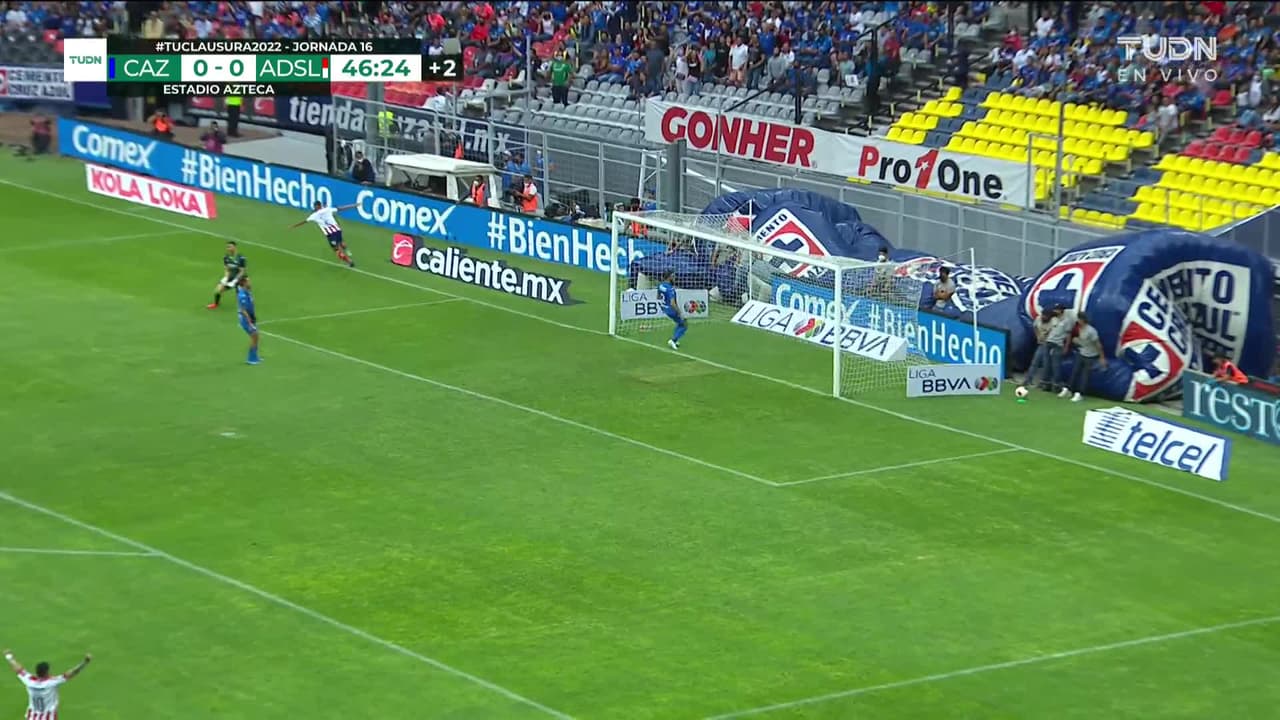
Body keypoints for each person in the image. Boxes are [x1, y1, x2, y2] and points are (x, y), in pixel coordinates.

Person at [4, 647, 91, 720]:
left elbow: (18, 669)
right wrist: (85, 662)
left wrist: (9, 656)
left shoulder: (29, 680)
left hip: (32, 717)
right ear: (46, 672)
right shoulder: (52, 682)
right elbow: (72, 673)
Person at [290, 201, 358, 267]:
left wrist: (294, 226)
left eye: (315, 206)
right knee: (340, 242)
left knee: (336, 250)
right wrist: (354, 205)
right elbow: (341, 208)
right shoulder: (327, 209)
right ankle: (347, 251)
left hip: (330, 234)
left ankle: (350, 262)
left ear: (316, 206)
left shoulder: (314, 215)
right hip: (337, 230)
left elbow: (304, 222)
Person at [1061, 311, 1106, 401]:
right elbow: (1080, 341)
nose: (1077, 321)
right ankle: (1068, 389)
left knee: (1085, 375)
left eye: (1079, 319)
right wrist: (1076, 341)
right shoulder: (1079, 328)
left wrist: (1102, 358)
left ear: (1083, 320)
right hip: (1081, 353)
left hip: (1090, 355)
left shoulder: (1091, 331)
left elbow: (1098, 344)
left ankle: (1080, 393)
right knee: (1074, 372)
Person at [1021, 305, 1063, 391]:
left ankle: (1044, 383)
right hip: (1041, 344)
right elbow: (1035, 327)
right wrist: (1038, 336)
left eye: (1045, 316)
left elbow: (1054, 332)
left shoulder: (1054, 321)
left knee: (1047, 364)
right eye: (1043, 315)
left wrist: (1046, 337)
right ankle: (1028, 380)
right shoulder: (1038, 318)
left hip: (1051, 344)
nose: (1043, 317)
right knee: (1035, 362)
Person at [208, 241, 247, 309]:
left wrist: (235, 280)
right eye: (227, 247)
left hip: (240, 278)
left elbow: (242, 271)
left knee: (241, 295)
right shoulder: (226, 257)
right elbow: (227, 269)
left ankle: (245, 307)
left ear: (235, 247)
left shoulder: (241, 258)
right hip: (230, 277)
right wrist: (226, 278)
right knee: (217, 290)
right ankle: (216, 304)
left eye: (230, 247)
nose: (228, 248)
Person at [657, 270, 687, 350]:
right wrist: (680, 313)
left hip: (665, 309)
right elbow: (673, 303)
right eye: (673, 276)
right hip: (671, 310)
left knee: (679, 323)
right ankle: (673, 340)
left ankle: (675, 339)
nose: (674, 278)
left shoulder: (660, 285)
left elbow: (658, 297)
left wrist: (662, 306)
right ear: (669, 277)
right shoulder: (670, 289)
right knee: (684, 324)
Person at [236, 277, 261, 365]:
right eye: (248, 281)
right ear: (244, 283)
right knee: (254, 336)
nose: (250, 283)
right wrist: (249, 321)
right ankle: (251, 359)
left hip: (251, 317)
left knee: (256, 336)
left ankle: (255, 357)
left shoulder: (248, 292)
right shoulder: (242, 295)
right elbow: (243, 310)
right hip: (246, 319)